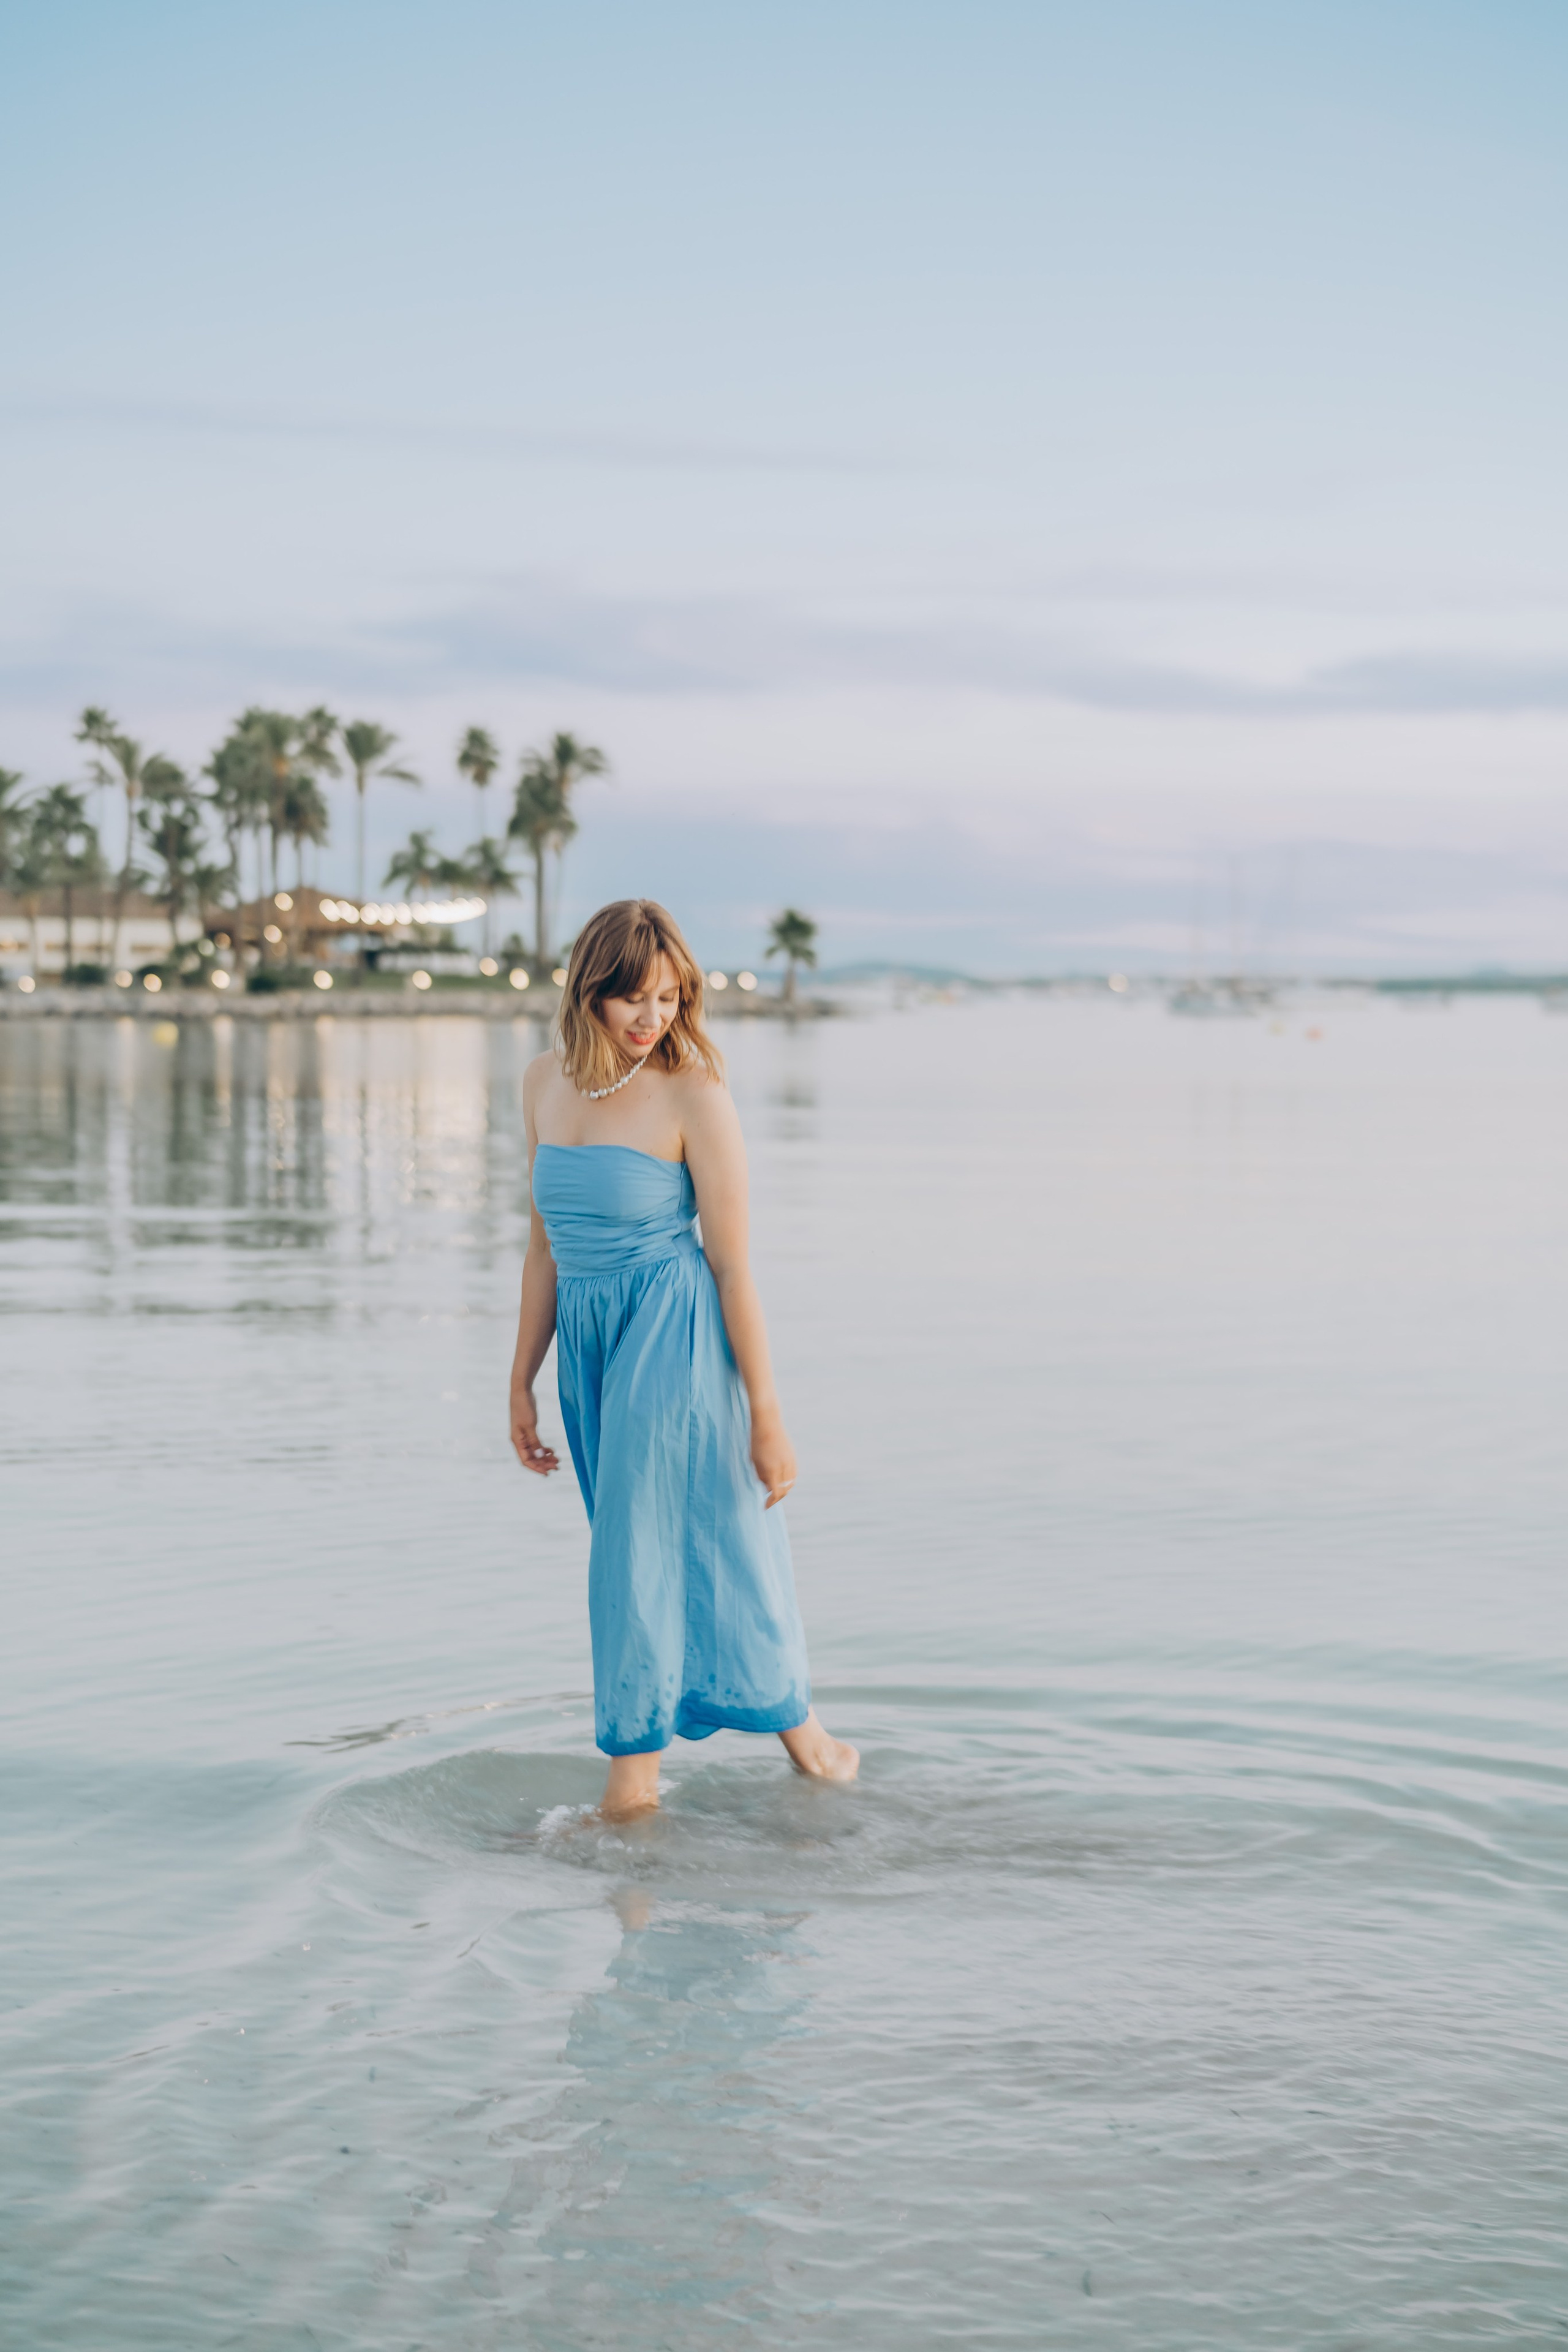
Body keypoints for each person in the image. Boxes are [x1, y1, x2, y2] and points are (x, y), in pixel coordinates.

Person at [509, 898, 859, 1820]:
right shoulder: (542, 1082)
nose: (651, 1018)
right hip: (590, 1348)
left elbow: (733, 1263)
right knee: (682, 1544)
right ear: (590, 990)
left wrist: (769, 1415)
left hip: (674, 1336)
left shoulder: (695, 1092)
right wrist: (519, 1380)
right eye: (632, 998)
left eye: (668, 999)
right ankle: (804, 1737)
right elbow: (543, 1248)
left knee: (635, 1552)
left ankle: (633, 1782)